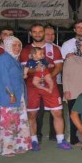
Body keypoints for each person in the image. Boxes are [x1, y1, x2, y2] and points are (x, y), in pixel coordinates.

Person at [19, 23, 68, 151]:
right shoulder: (26, 50)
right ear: (30, 33)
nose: (38, 34)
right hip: (32, 86)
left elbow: (58, 66)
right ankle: (34, 141)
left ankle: (60, 140)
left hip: (50, 84)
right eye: (34, 32)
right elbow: (24, 69)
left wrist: (47, 76)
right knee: (32, 114)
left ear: (44, 33)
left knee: (57, 112)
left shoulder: (54, 49)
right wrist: (36, 71)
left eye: (40, 31)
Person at [0, 36, 31, 157]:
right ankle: (7, 149)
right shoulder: (3, 59)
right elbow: (4, 79)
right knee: (8, 124)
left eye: (19, 45)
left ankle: (19, 146)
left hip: (19, 95)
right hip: (8, 95)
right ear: (7, 46)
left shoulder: (14, 59)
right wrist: (11, 94)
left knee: (19, 121)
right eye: (14, 45)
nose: (17, 48)